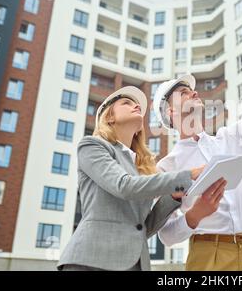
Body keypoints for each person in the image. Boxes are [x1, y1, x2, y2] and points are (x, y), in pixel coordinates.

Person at [152, 0, 242, 271]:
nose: (194, 93)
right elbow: (166, 234)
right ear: (170, 113)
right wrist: (194, 216)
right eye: (184, 93)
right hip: (209, 257)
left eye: (193, 91)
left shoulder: (232, 138)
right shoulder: (167, 167)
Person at [57, 86, 224, 271]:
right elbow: (124, 186)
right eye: (126, 103)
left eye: (136, 104)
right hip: (91, 261)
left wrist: (173, 198)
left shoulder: (140, 167)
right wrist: (188, 175)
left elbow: (142, 227)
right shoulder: (91, 146)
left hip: (135, 263)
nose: (136, 105)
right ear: (109, 117)